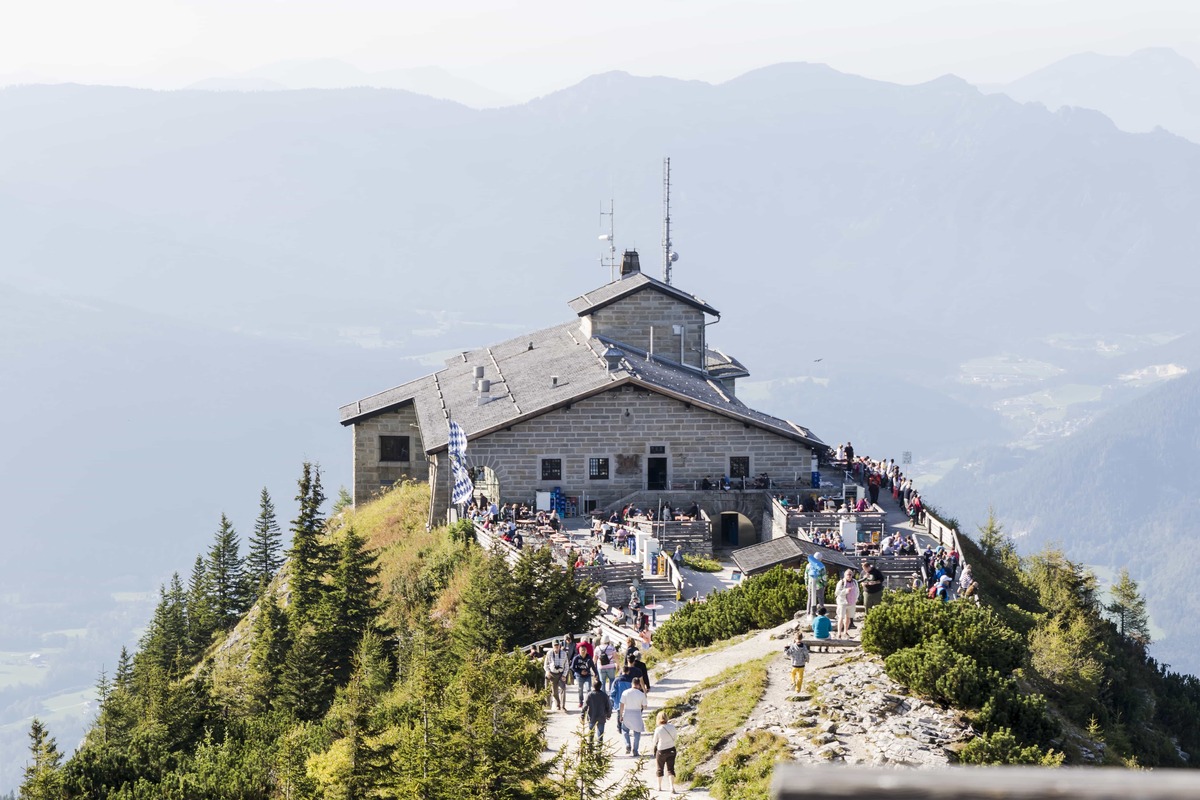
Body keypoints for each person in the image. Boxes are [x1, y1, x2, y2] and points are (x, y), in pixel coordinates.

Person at [619, 677, 648, 756]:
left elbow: (621, 705)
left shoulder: (625, 692)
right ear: (639, 685)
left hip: (627, 713)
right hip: (637, 714)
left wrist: (621, 715)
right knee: (637, 733)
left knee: (625, 730)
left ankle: (627, 744)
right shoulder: (641, 694)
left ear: (632, 684)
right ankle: (635, 750)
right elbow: (645, 706)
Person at [651, 711, 678, 793]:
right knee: (670, 769)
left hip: (661, 750)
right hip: (671, 749)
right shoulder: (672, 727)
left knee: (660, 768)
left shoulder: (658, 729)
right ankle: (672, 786)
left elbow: (654, 741)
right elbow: (675, 737)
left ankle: (659, 786)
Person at [609, 665, 634, 745]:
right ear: (628, 671)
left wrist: (612, 698)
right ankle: (627, 727)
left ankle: (619, 727)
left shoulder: (617, 680)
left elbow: (613, 691)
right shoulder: (631, 680)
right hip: (629, 701)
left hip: (619, 700)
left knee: (619, 713)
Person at [543, 640, 569, 712]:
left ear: (560, 646)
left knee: (563, 689)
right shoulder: (549, 653)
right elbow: (545, 665)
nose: (556, 647)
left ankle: (563, 706)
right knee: (554, 692)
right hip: (552, 674)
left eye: (557, 645)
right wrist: (547, 672)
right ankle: (558, 704)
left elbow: (566, 666)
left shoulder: (564, 653)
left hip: (561, 673)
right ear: (553, 646)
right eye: (555, 645)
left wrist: (564, 675)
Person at [835, 569, 859, 638]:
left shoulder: (855, 582)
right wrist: (846, 591)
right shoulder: (841, 582)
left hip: (851, 602)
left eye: (850, 574)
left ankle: (845, 631)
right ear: (845, 575)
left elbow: (857, 591)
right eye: (848, 574)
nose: (849, 576)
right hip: (842, 602)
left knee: (848, 618)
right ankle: (839, 633)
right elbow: (837, 592)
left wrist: (856, 598)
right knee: (841, 618)